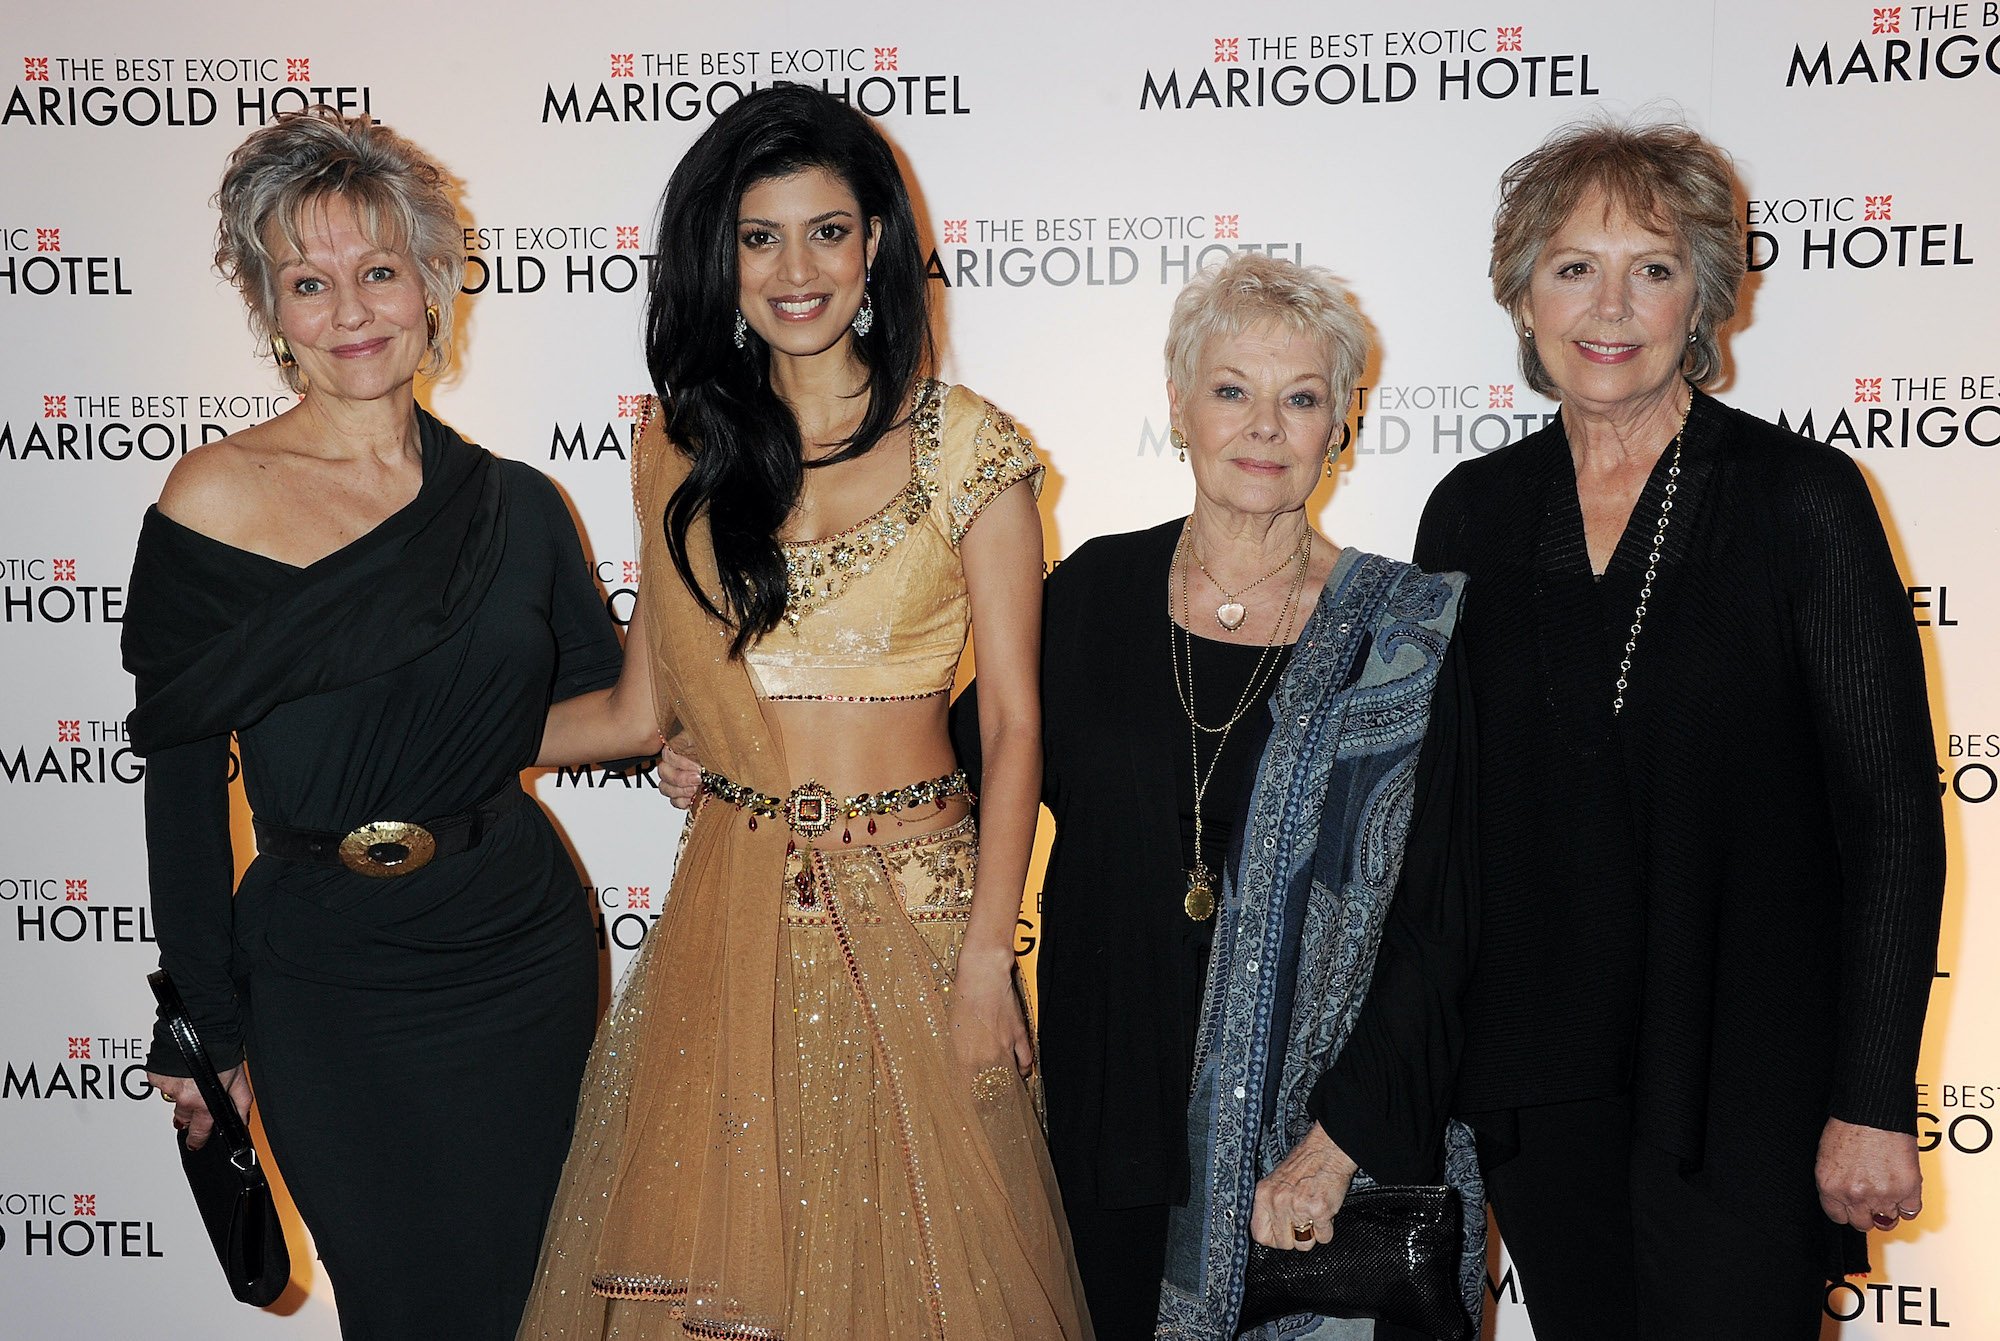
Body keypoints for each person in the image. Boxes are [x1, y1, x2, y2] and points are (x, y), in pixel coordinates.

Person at [679, 253, 1488, 1338]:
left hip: (1311, 1146)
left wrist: (1341, 1139)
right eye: (1229, 390)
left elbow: (1442, 919)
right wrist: (744, 759)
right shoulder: (1094, 596)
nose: (1262, 427)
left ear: (1340, 423)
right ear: (1175, 408)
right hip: (1107, 1119)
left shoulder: (1405, 639)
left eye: (1299, 399)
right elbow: (931, 776)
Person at [515, 85, 1091, 1340]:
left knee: (930, 1283)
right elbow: (639, 707)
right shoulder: (678, 449)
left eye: (827, 231)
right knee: (728, 1294)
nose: (795, 270)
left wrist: (991, 957)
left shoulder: (967, 447)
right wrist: (421, 738)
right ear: (719, 258)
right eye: (758, 236)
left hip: (927, 910)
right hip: (733, 919)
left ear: (876, 244)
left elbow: (1012, 730)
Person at [1416, 119, 1946, 1339]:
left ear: (1704, 295)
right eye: (1571, 266)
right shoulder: (1470, 515)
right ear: (1520, 292)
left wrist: (1871, 1094)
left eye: (1651, 268)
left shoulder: (1799, 501)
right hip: (1536, 1083)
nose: (1609, 305)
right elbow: (1440, 827)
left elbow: (1889, 817)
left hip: (1748, 1078)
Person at [123, 109, 624, 1338]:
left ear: (435, 283)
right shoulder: (213, 496)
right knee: (403, 1304)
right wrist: (202, 1031)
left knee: (536, 1305)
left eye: (379, 271)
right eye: (309, 280)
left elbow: (592, 715)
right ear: (269, 308)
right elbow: (184, 796)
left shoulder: (514, 506)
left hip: (517, 951)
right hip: (325, 977)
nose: (350, 311)